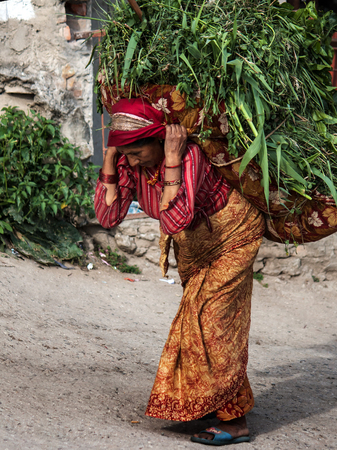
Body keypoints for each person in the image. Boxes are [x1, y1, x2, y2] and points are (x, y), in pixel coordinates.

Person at [94, 98, 265, 445]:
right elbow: (107, 217)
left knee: (212, 320)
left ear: (160, 141)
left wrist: (171, 162)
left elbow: (174, 219)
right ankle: (215, 400)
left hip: (233, 234)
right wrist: (110, 163)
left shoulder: (189, 157)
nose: (132, 160)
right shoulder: (130, 162)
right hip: (194, 248)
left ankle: (235, 422)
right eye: (125, 153)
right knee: (199, 323)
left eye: (137, 152)